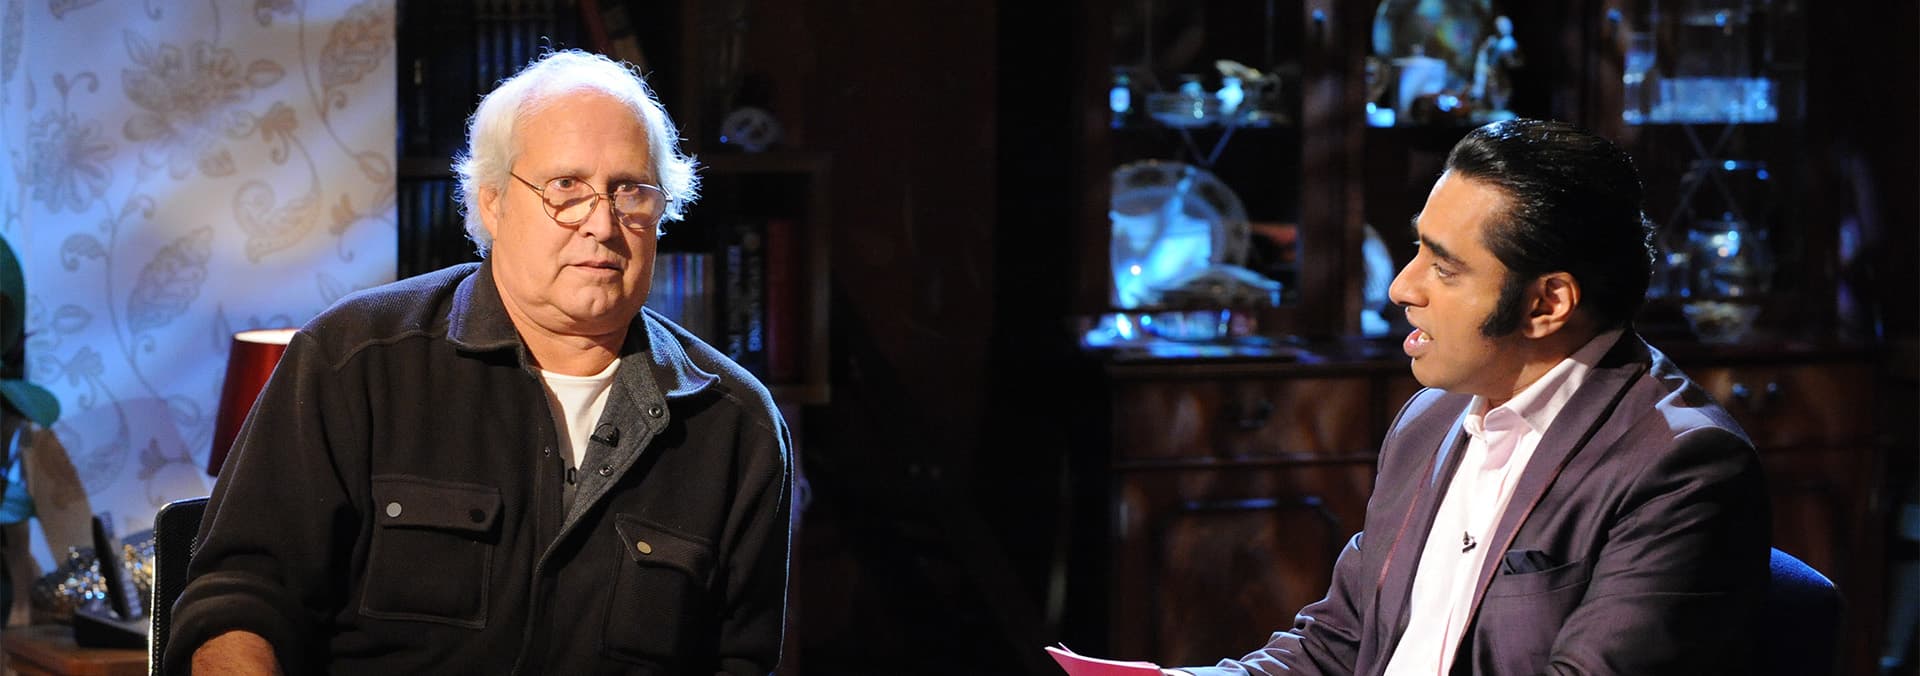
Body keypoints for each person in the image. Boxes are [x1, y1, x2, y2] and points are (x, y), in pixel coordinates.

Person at [166, 50, 794, 675]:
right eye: (565, 187)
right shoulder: (353, 360)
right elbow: (241, 602)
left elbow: (741, 661)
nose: (602, 224)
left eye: (630, 190)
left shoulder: (736, 428)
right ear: (493, 203)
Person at [1168, 119, 1770, 675]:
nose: (1402, 287)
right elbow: (1338, 647)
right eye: (1417, 250)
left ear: (1547, 304)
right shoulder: (1430, 418)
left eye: (1445, 268)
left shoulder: (1680, 467)